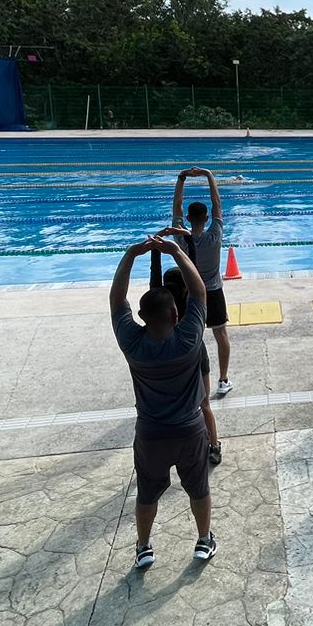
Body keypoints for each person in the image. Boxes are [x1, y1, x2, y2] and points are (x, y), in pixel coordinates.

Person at [111, 236, 218, 568]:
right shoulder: (188, 339)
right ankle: (203, 540)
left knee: (147, 492)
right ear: (175, 313)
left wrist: (130, 254)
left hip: (150, 434)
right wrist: (175, 251)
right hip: (189, 431)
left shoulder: (132, 343)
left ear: (141, 316)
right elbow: (199, 292)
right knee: (198, 489)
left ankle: (144, 547)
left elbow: (117, 300)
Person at [152, 241, 223, 466]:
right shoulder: (192, 304)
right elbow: (195, 275)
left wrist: (155, 250)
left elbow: (155, 277)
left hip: (169, 356)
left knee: (172, 406)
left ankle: (172, 448)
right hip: (196, 355)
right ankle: (214, 445)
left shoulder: (159, 301)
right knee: (204, 404)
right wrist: (185, 243)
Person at [172, 167, 231, 396]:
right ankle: (223, 379)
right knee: (221, 335)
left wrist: (182, 178)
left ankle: (187, 379)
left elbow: (177, 204)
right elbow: (216, 202)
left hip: (189, 294)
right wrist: (208, 175)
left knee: (188, 337)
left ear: (187, 219)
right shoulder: (214, 235)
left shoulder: (181, 237)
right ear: (206, 218)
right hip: (213, 293)